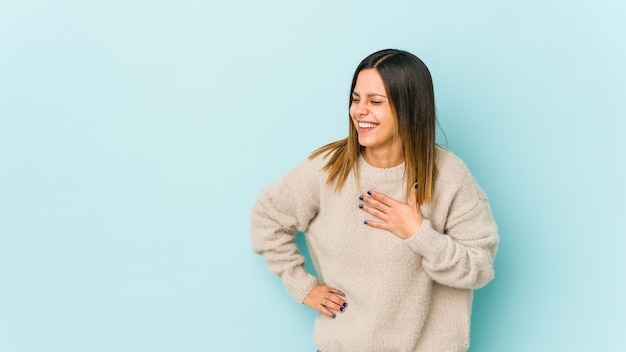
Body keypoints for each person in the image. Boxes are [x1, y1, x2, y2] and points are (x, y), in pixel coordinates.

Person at [250, 49, 499, 352]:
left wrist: (418, 234)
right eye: (356, 99)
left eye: (375, 102)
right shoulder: (328, 169)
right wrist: (303, 287)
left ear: (409, 108)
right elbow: (267, 218)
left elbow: (479, 268)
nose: (359, 111)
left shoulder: (450, 176)